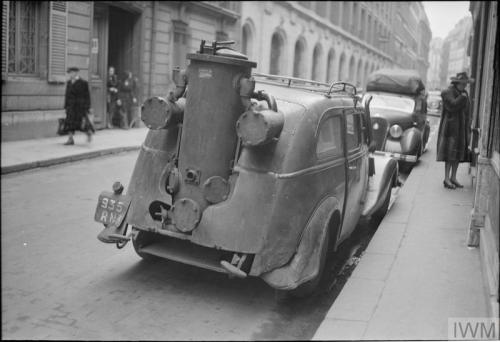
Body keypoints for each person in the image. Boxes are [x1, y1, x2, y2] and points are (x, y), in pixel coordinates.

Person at [436, 71, 472, 189]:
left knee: (457, 154)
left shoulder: (464, 93)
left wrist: (468, 126)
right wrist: (462, 98)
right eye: (463, 83)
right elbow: (452, 106)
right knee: (449, 154)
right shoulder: (448, 93)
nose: (465, 85)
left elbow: (466, 112)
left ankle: (453, 177)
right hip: (450, 130)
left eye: (466, 83)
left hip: (461, 129)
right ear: (456, 83)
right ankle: (446, 179)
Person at [63, 67, 94, 145]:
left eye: (71, 72)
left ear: (76, 73)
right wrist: (66, 106)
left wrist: (88, 107)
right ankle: (70, 139)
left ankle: (88, 133)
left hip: (80, 107)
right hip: (71, 107)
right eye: (69, 73)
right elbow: (67, 95)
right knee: (69, 123)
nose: (70, 74)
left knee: (81, 123)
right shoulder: (69, 82)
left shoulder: (83, 83)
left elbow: (87, 96)